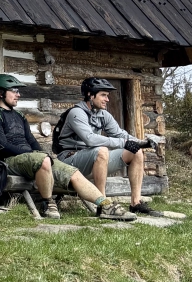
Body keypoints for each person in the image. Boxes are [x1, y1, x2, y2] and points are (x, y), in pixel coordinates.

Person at [0, 74, 136, 221]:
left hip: (34, 158)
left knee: (73, 173)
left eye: (18, 91)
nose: (18, 94)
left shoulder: (19, 116)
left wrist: (41, 153)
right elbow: (1, 146)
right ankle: (47, 204)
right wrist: (35, 154)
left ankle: (106, 206)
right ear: (0, 93)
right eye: (14, 91)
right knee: (44, 160)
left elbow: (31, 140)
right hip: (9, 161)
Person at [56, 77, 163, 217]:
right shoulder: (76, 113)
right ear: (90, 94)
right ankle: (103, 204)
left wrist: (142, 142)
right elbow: (90, 139)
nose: (107, 99)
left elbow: (120, 134)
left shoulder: (103, 114)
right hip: (69, 160)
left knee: (135, 152)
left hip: (90, 159)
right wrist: (122, 143)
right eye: (103, 95)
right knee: (101, 150)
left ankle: (136, 203)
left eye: (107, 96)